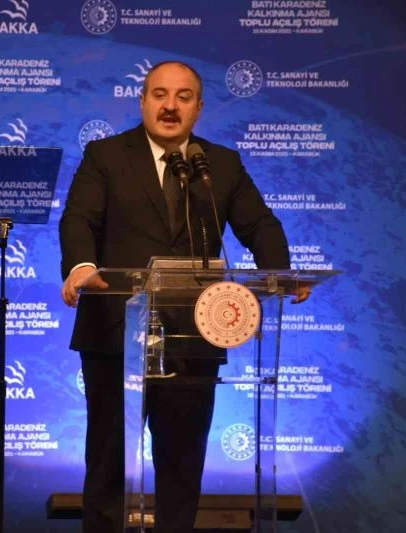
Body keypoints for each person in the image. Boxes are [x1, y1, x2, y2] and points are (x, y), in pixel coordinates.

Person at [59, 61, 307, 533]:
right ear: (143, 101)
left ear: (199, 107)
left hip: (194, 338)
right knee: (108, 463)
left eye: (183, 96)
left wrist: (278, 272)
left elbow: (260, 224)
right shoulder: (105, 156)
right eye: (160, 94)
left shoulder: (220, 165)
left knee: (182, 466)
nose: (170, 106)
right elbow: (79, 218)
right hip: (116, 334)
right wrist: (82, 266)